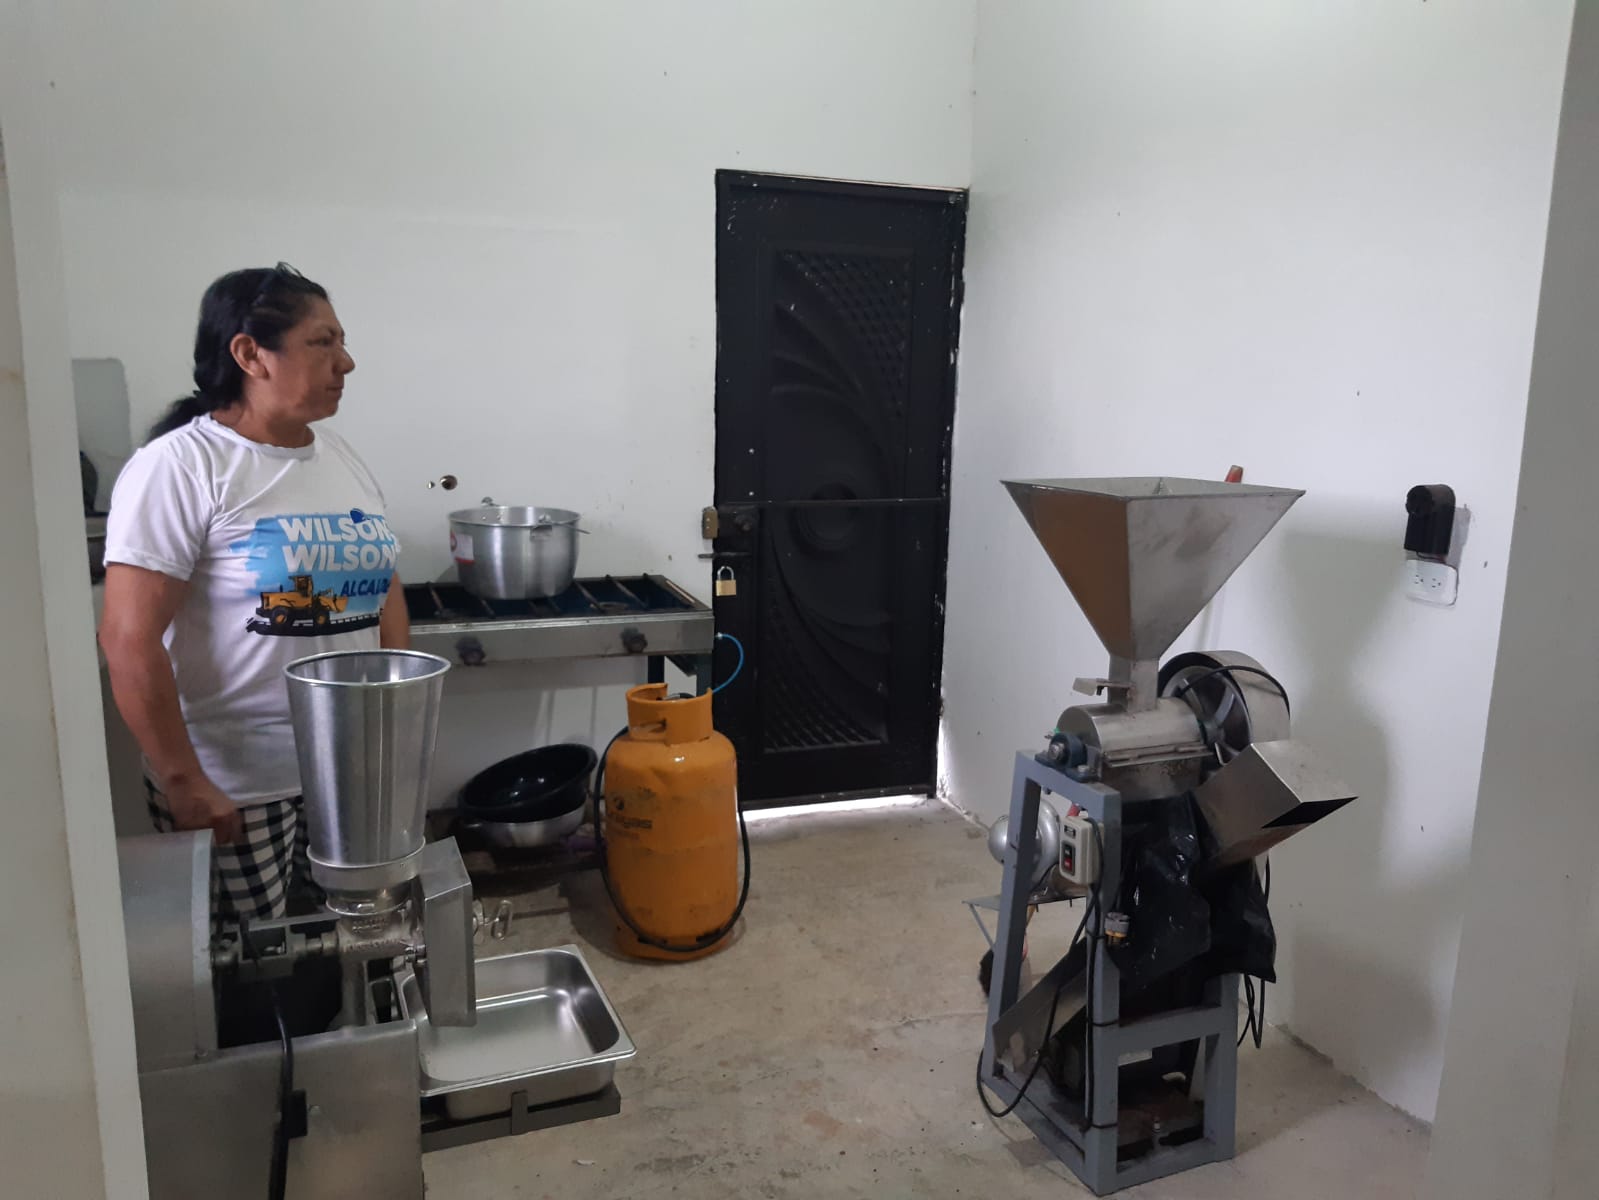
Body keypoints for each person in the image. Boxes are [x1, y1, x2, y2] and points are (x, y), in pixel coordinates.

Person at [100, 263, 410, 920]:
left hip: (347, 773)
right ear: (249, 354)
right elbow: (127, 638)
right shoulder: (180, 467)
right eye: (322, 342)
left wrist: (390, 729)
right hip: (237, 785)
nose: (346, 362)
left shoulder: (340, 458)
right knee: (249, 962)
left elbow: (384, 590)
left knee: (349, 940)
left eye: (341, 342)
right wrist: (184, 779)